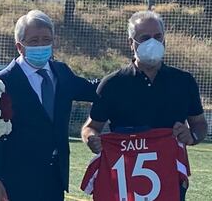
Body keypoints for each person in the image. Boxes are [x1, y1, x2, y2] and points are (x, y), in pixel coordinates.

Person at [81, 11, 208, 201]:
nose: (153, 42)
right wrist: (92, 139)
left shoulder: (184, 81)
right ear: (131, 42)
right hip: (123, 186)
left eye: (158, 37)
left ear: (164, 40)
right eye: (145, 38)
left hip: (169, 183)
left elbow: (200, 124)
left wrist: (192, 136)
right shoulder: (113, 84)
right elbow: (91, 127)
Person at [0, 9, 99, 201]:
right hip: (15, 180)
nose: (41, 45)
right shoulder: (0, 83)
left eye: (46, 40)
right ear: (20, 46)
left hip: (54, 179)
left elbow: (93, 90)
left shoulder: (62, 72)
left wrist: (124, 79)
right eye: (34, 41)